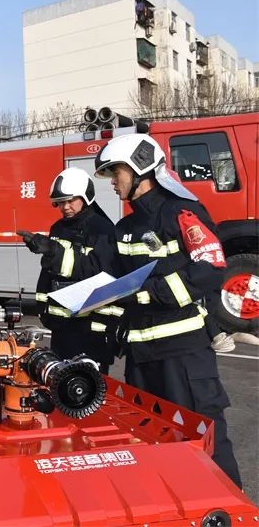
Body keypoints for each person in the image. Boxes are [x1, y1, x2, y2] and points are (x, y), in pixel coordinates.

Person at [94, 133, 242, 487]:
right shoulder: (124, 229)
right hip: (140, 358)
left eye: (117, 172)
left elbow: (209, 266)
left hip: (183, 353)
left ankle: (229, 512)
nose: (113, 181)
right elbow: (113, 284)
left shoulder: (180, 212)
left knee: (204, 439)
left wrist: (150, 294)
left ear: (140, 169)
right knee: (153, 443)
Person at [18, 168, 120, 373]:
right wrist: (42, 307)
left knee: (88, 392)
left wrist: (54, 251)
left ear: (85, 197)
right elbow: (49, 272)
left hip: (92, 332)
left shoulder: (102, 229)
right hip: (62, 328)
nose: (65, 207)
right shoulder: (58, 228)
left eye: (71, 200)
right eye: (61, 202)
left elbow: (99, 271)